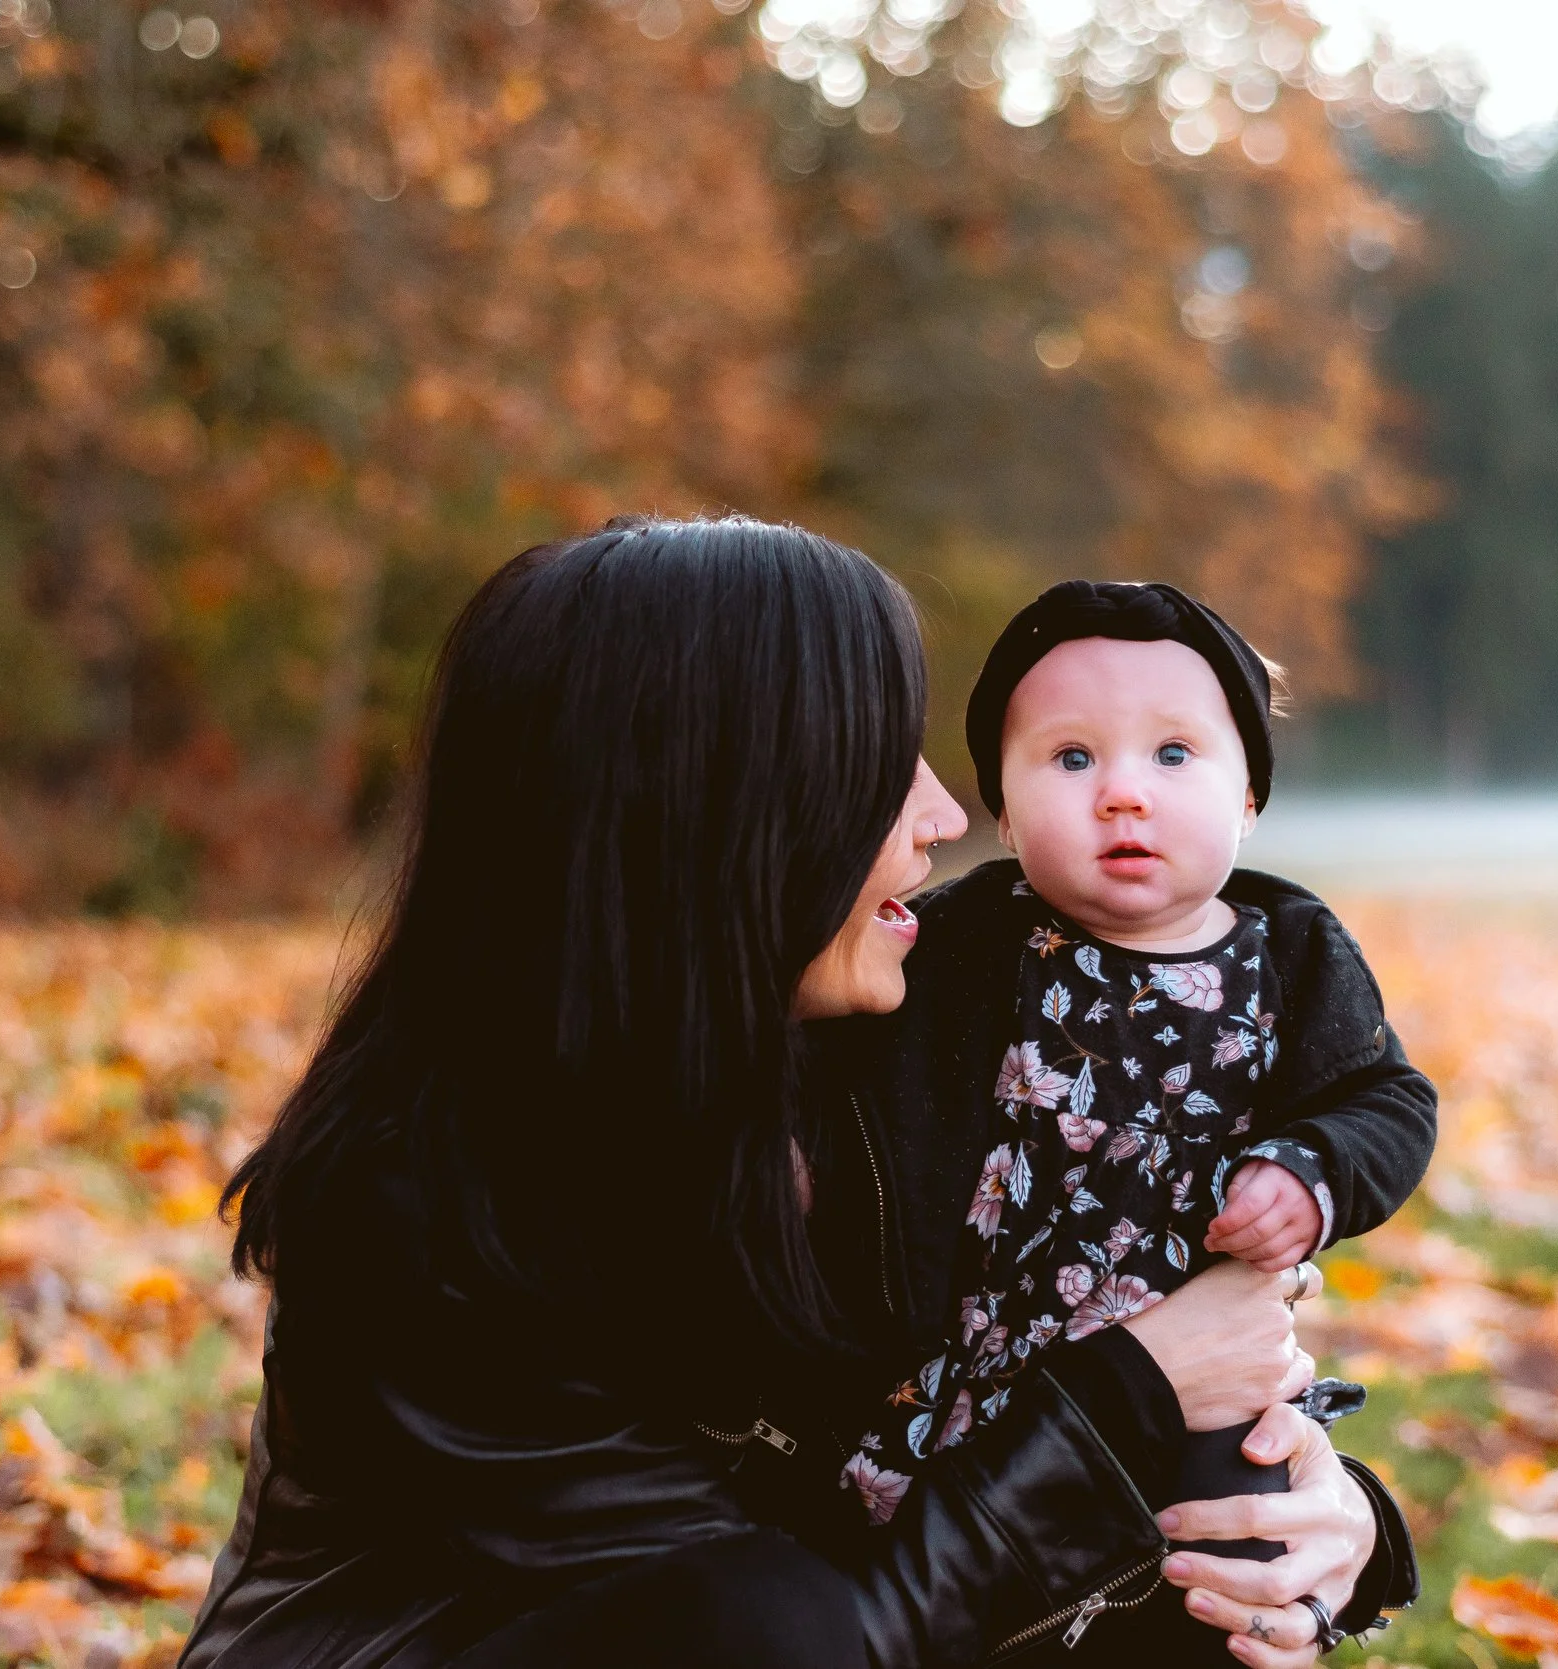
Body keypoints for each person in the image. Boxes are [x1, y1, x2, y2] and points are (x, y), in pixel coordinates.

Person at [179, 519, 1397, 1669]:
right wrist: (1131, 1393)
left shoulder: (816, 1096)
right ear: (722, 808)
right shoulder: (437, 1202)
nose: (942, 814)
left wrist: (1327, 1522)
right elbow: (792, 1636)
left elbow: (920, 1468)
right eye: (879, 763)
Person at [771, 581, 1433, 1663]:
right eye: (1070, 759)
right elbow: (824, 1069)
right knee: (968, 1595)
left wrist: (1312, 1168)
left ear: (1249, 796)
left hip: (1201, 1363)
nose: (1122, 792)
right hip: (976, 1365)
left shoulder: (1292, 955)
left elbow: (1386, 1100)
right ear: (1003, 802)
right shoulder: (956, 943)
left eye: (1173, 755)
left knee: (1209, 1575)